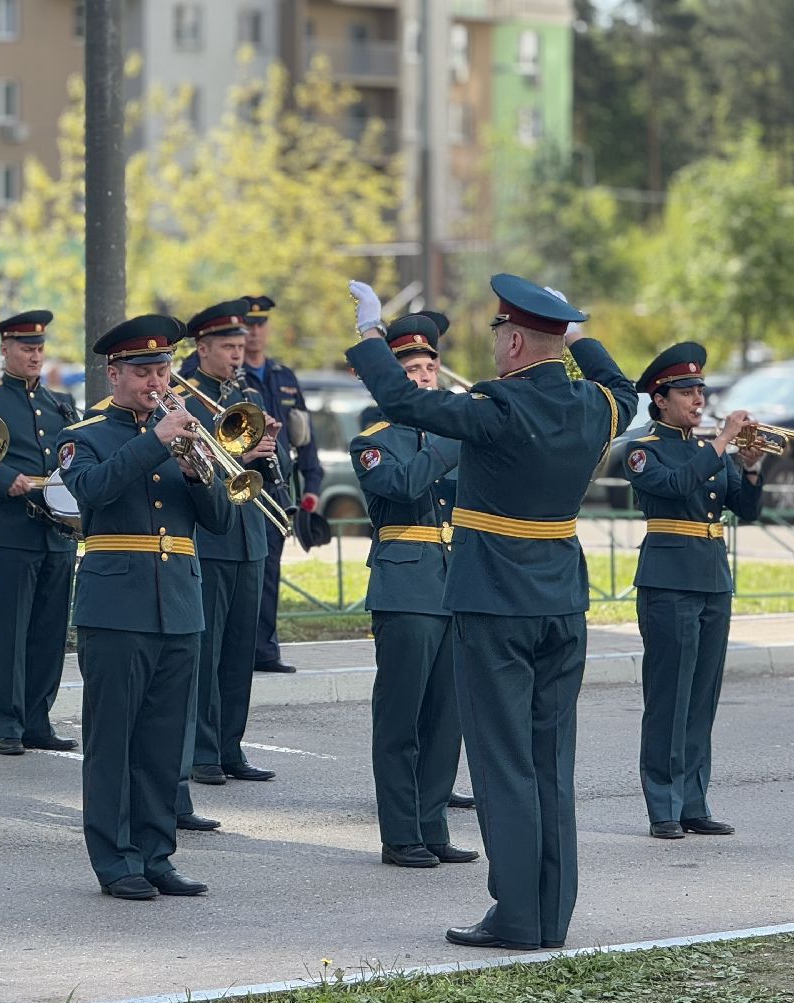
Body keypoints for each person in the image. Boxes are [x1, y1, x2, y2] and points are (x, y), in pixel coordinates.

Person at [345, 275, 636, 951]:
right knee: (550, 763)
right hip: (562, 601)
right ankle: (551, 914)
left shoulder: (497, 405)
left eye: (501, 333)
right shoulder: (596, 406)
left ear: (514, 342)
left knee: (504, 764)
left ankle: (517, 915)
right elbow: (623, 388)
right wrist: (576, 335)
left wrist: (370, 334)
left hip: (494, 601)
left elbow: (401, 400)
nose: (497, 344)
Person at [58, 314, 233, 900]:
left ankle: (157, 854)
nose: (156, 382)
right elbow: (91, 491)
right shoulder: (84, 436)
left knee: (163, 742)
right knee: (114, 740)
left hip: (179, 601)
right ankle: (115, 860)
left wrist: (199, 474)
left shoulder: (187, 432)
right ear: (114, 375)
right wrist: (155, 443)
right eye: (143, 372)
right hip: (116, 605)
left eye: (163, 370)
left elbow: (220, 521)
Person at [348, 312, 479, 869]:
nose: (424, 377)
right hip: (406, 586)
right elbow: (402, 485)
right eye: (410, 370)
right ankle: (401, 834)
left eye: (429, 368)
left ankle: (433, 826)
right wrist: (454, 436)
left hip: (457, 584)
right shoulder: (373, 441)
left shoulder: (458, 436)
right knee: (401, 718)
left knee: (447, 719)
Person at [627, 343, 763, 840]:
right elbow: (676, 486)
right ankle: (663, 806)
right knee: (669, 697)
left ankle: (693, 802)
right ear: (660, 399)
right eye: (686, 392)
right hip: (668, 581)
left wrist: (751, 467)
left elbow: (746, 510)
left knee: (702, 698)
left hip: (712, 579)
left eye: (700, 390)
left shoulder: (710, 450)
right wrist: (723, 441)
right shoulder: (644, 450)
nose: (698, 399)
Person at [0, 310, 79, 756]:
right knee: (11, 631)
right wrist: (2, 478)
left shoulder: (60, 403)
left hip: (56, 531)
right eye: (26, 348)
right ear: (5, 349)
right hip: (12, 529)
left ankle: (37, 720)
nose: (35, 355)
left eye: (39, 348)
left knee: (50, 632)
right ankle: (6, 723)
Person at [178, 299, 278, 788]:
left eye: (240, 347)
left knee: (240, 651)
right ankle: (202, 751)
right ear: (203, 348)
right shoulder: (188, 400)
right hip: (210, 539)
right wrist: (240, 452)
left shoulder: (246, 395)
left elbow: (265, 470)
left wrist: (269, 450)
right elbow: (190, 464)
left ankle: (230, 746)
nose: (238, 355)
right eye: (228, 347)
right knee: (207, 649)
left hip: (249, 537)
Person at [239, 296, 323, 674]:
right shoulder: (229, 374)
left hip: (277, 487)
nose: (254, 333)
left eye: (260, 325)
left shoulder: (283, 376)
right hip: (241, 483)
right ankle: (239, 648)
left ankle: (264, 649)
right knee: (242, 570)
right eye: (247, 326)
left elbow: (303, 434)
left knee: (270, 569)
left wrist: (312, 483)